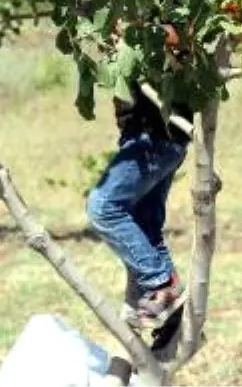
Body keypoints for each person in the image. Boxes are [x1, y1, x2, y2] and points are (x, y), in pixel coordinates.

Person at [85, 26, 194, 333]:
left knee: (103, 207)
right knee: (146, 226)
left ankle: (161, 283)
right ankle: (170, 319)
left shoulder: (156, 0)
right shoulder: (120, 4)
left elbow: (181, 40)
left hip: (156, 135)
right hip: (149, 135)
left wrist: (134, 32)